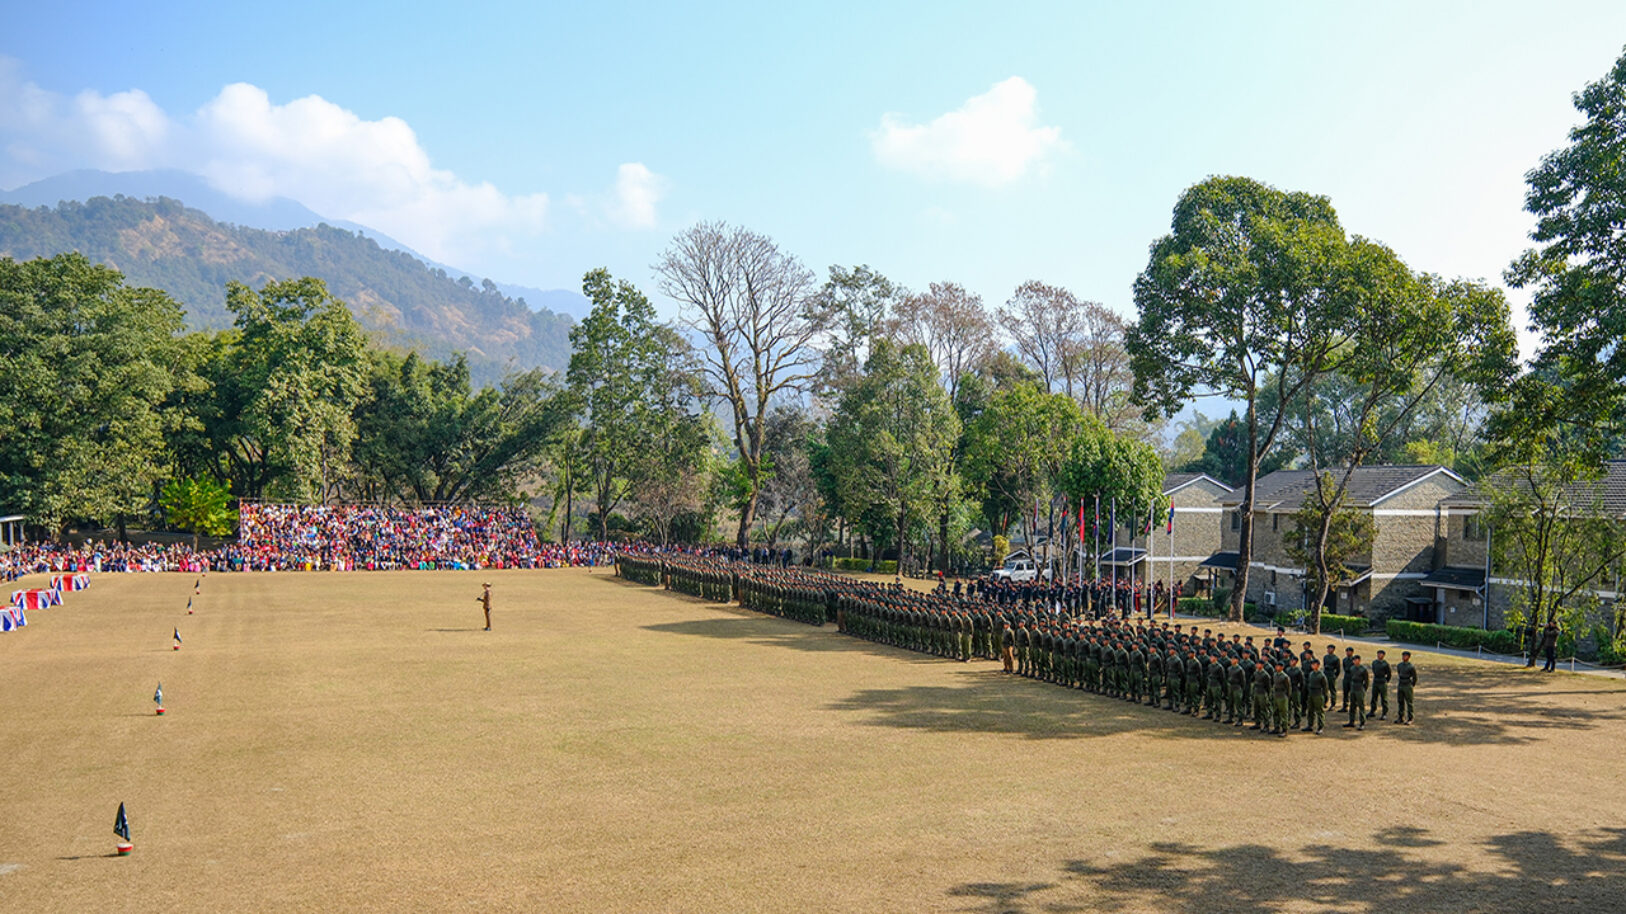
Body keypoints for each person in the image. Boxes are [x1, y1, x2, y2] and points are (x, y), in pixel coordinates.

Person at [1344, 655, 1370, 731]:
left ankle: (1362, 722)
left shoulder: (1363, 669)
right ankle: (1351, 721)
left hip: (1360, 688)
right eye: (1353, 660)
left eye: (1356, 660)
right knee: (1352, 705)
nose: (1354, 661)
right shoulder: (1352, 668)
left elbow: (1366, 681)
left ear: (1359, 660)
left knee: (1361, 706)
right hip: (1353, 688)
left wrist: (1364, 689)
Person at [1304, 659, 1328, 734]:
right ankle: (1310, 725)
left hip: (1318, 694)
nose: (1313, 666)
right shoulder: (1311, 674)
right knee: (1310, 710)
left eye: (1314, 664)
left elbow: (1325, 687)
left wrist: (1325, 697)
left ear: (1318, 665)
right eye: (1312, 665)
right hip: (1311, 694)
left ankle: (1320, 726)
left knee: (1319, 711)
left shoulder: (1321, 675)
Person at [1368, 650, 1392, 720]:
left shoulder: (1385, 664)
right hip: (1376, 681)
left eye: (1380, 654)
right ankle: (1372, 711)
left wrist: (1386, 680)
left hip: (1382, 681)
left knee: (1384, 698)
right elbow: (1374, 670)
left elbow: (1389, 674)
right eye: (1378, 654)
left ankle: (1384, 713)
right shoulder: (1374, 662)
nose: (1379, 655)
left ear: (1383, 655)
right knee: (1374, 697)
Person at [1395, 651, 1417, 724]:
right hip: (1401, 684)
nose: (1404, 657)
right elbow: (1399, 672)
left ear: (1408, 657)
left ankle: (1410, 718)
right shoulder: (1399, 665)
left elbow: (1414, 677)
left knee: (1409, 702)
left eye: (1405, 656)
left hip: (1407, 684)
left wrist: (1411, 685)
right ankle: (1401, 717)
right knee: (1400, 701)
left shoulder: (1411, 666)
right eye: (1403, 656)